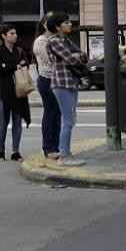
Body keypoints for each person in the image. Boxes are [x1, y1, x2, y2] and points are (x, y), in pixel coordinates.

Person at [46, 12, 88, 167]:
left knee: (70, 119)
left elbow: (83, 56)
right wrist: (72, 57)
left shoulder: (66, 40)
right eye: (66, 22)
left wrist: (74, 57)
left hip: (72, 82)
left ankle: (65, 153)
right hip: (61, 83)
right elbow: (71, 59)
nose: (70, 24)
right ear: (58, 26)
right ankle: (64, 156)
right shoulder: (55, 41)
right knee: (68, 120)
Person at [0, 24, 32, 161]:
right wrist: (14, 66)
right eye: (12, 33)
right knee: (3, 120)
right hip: (2, 90)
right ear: (4, 36)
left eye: (15, 33)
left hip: (19, 90)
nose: (15, 36)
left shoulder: (19, 50)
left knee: (17, 120)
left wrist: (7, 66)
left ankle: (15, 151)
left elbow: (26, 63)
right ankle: (0, 151)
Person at [31, 13, 63, 159]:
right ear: (45, 24)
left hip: (58, 80)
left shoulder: (56, 39)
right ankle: (48, 148)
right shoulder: (40, 41)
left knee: (58, 114)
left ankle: (56, 146)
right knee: (50, 112)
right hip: (47, 80)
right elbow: (52, 60)